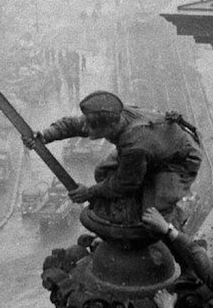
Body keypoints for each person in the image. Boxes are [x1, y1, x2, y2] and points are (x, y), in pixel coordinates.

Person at [24, 91, 202, 223]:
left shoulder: (134, 145)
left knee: (152, 218)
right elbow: (74, 124)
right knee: (103, 171)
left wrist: (89, 192)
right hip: (155, 146)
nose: (84, 130)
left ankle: (176, 226)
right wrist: (45, 136)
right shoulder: (114, 114)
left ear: (110, 127)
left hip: (179, 159)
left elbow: (125, 182)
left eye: (91, 128)